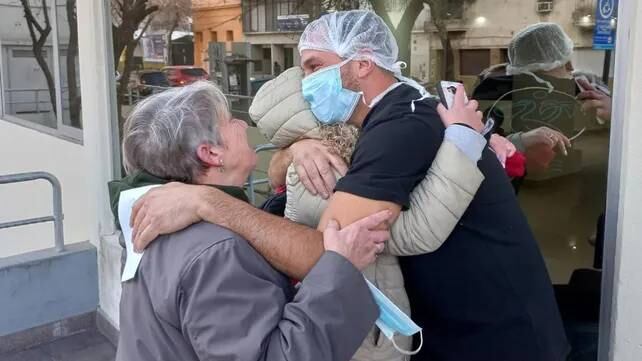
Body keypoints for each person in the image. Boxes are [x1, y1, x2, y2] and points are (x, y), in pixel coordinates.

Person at [130, 11, 569, 361]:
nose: (307, 84)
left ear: (361, 64)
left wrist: (209, 201)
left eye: (314, 67)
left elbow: (327, 252)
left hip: (494, 336)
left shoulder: (401, 124)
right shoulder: (379, 120)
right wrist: (293, 150)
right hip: (457, 329)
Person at [109, 81, 392, 361]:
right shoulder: (215, 254)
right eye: (231, 121)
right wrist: (340, 270)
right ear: (211, 153)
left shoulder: (150, 221)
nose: (244, 126)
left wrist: (292, 151)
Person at [250, 65, 493, 360]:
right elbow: (415, 231)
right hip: (361, 326)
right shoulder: (323, 167)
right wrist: (463, 139)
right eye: (313, 74)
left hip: (351, 313)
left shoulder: (330, 151)